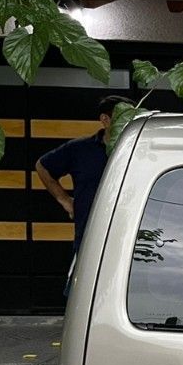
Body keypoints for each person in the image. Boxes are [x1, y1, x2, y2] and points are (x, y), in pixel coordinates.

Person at [35, 96, 128, 260]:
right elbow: (43, 166)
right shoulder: (80, 149)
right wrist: (65, 201)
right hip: (88, 239)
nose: (127, 123)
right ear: (105, 120)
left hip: (129, 238)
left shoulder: (138, 152)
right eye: (122, 118)